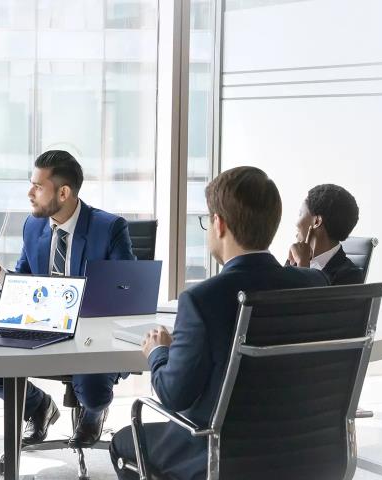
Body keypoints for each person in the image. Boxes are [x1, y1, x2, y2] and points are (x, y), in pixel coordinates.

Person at [111, 166, 330, 480]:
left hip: (219, 455)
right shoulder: (314, 284)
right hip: (305, 453)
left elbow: (174, 395)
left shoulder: (202, 300)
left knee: (124, 442)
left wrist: (158, 352)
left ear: (219, 223)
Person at [0, 150, 135, 447]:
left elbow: (127, 289)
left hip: (91, 334)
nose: (29, 193)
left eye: (38, 187)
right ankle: (39, 406)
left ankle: (94, 413)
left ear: (64, 192)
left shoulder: (108, 228)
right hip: (43, 325)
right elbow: (26, 285)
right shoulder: (33, 227)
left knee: (92, 389)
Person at [285, 184, 367, 285]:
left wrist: (303, 266)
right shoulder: (296, 257)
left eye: (300, 214)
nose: (296, 223)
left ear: (317, 222)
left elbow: (301, 300)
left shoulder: (350, 276)